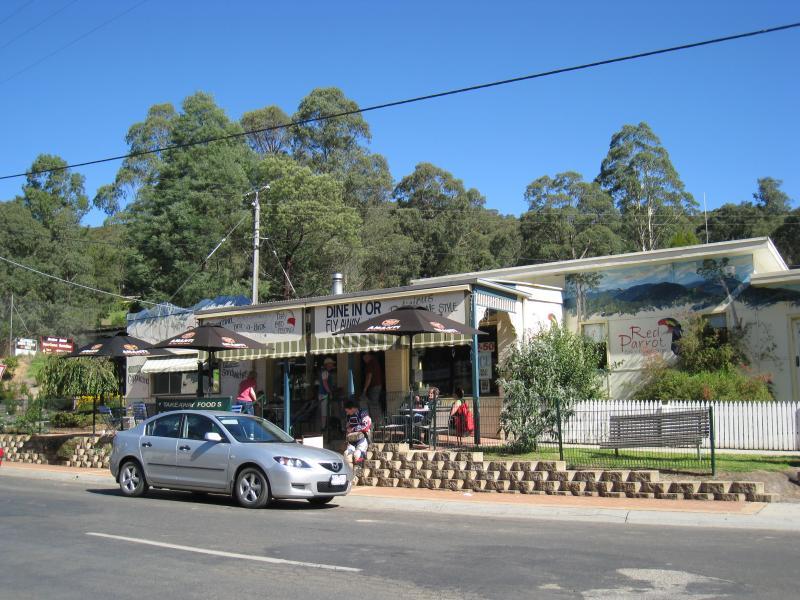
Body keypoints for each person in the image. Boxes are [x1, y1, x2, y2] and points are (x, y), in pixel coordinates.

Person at [343, 401, 372, 468]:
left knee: (357, 454)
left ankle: (359, 470)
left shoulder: (363, 413)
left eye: (348, 411)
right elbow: (348, 427)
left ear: (352, 408)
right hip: (352, 440)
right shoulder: (349, 416)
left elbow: (365, 426)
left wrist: (353, 429)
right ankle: (349, 472)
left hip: (362, 438)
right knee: (346, 454)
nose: (347, 413)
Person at [360, 353, 384, 419]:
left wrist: (365, 389)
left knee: (373, 404)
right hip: (378, 385)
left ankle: (377, 422)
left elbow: (369, 377)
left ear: (367, 356)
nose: (364, 361)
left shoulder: (370, 364)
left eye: (364, 359)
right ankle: (378, 421)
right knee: (375, 403)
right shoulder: (375, 362)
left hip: (374, 386)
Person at [319, 357, 336, 431]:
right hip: (324, 395)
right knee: (324, 412)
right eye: (331, 364)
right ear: (327, 365)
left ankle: (326, 426)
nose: (332, 365)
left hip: (325, 394)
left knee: (326, 411)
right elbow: (325, 383)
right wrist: (329, 392)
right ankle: (323, 427)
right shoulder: (325, 372)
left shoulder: (327, 372)